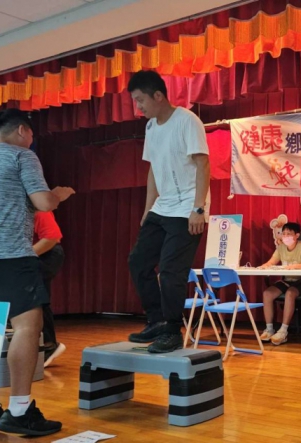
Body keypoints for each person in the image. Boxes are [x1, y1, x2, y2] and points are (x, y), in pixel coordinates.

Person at [0, 108, 74, 436]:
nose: (31, 140)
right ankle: (20, 411)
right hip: (8, 251)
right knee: (28, 325)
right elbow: (43, 202)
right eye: (31, 135)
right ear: (22, 131)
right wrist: (59, 195)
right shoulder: (22, 156)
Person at [126, 70, 211, 353]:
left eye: (141, 100)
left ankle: (173, 330)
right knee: (138, 262)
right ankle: (157, 320)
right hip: (162, 207)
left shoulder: (187, 121)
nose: (138, 107)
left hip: (187, 207)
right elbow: (153, 168)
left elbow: (203, 164)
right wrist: (148, 208)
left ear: (158, 95)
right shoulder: (151, 127)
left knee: (171, 271)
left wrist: (198, 208)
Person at [258, 222, 301, 345]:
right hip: (287, 280)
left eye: (289, 234)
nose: (285, 236)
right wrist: (264, 266)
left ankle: (283, 331)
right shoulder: (281, 248)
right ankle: (269, 329)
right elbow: (271, 262)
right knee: (267, 293)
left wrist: (292, 267)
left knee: (290, 293)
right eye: (283, 234)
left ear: (297, 235)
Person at [33, 211, 66, 367]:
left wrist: (23, 256)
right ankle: (46, 345)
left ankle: (48, 345)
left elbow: (52, 237)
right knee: (35, 300)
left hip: (46, 253)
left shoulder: (37, 207)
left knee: (36, 300)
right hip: (37, 254)